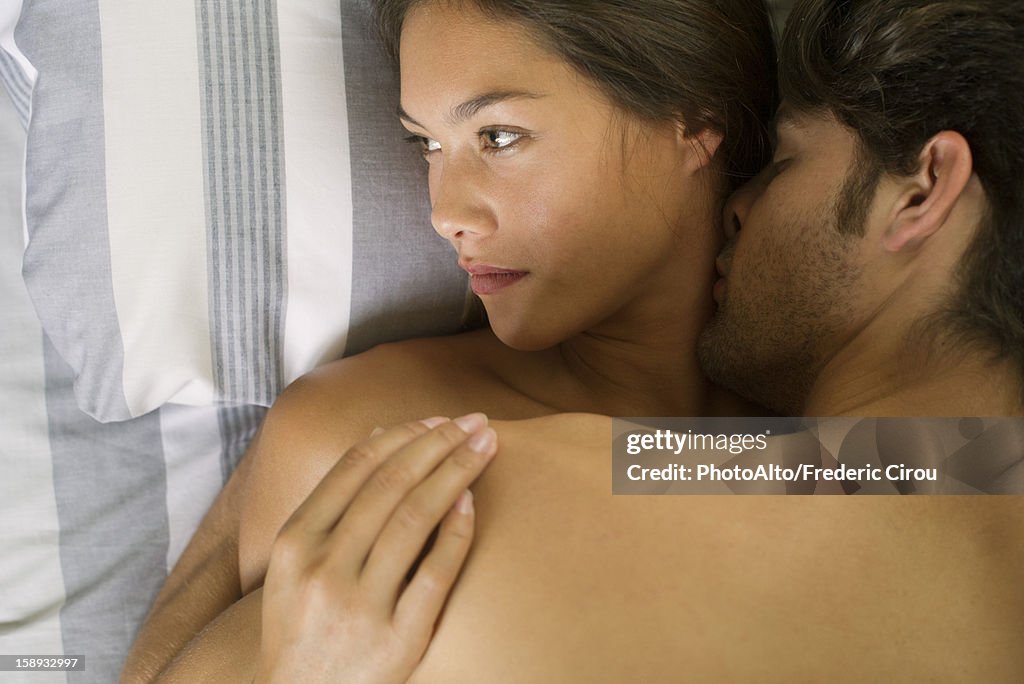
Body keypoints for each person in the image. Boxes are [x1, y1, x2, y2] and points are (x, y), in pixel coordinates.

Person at [130, 0, 1024, 681]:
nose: (443, 213)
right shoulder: (390, 440)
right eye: (426, 146)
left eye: (502, 135)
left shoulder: (519, 485)